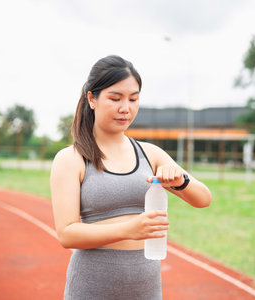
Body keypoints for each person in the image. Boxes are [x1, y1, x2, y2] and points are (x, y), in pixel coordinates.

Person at [50, 55, 212, 300]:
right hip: (91, 289)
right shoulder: (71, 159)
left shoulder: (150, 154)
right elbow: (67, 234)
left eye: (133, 99)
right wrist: (130, 229)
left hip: (145, 290)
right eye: (115, 98)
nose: (125, 108)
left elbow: (203, 199)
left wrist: (181, 181)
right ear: (92, 99)